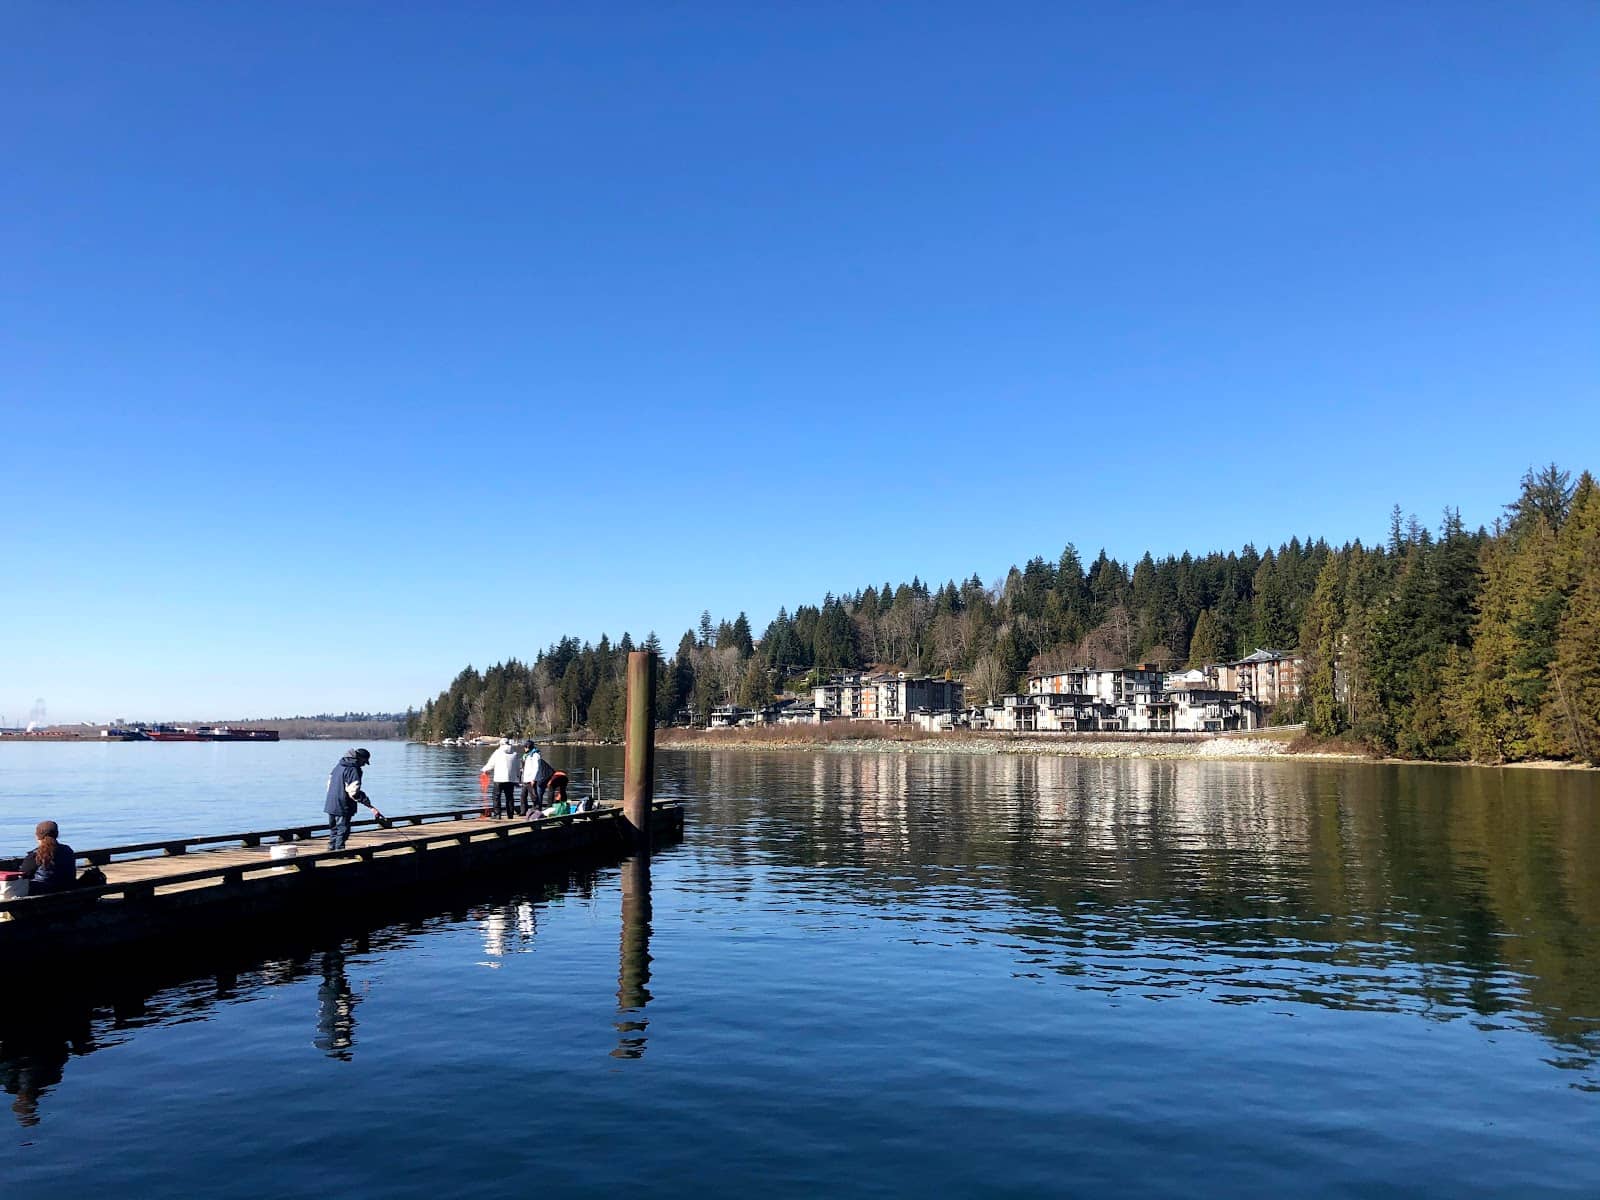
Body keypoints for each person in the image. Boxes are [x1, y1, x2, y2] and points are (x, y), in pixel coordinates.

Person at [324, 748, 376, 851]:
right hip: (343, 805)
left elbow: (329, 785)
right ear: (359, 758)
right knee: (343, 830)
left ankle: (331, 849)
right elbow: (353, 792)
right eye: (364, 762)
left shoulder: (338, 766)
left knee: (334, 829)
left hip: (331, 803)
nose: (364, 765)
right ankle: (340, 851)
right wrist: (366, 801)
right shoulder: (353, 769)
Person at [18, 820, 76, 895]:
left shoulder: (35, 855)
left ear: (37, 836)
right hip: (67, 889)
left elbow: (22, 875)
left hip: (42, 893)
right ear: (57, 834)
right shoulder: (67, 850)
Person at [480, 738, 523, 819]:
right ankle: (510, 815)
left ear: (501, 744)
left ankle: (497, 814)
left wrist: (484, 770)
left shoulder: (498, 753)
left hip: (499, 779)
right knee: (509, 797)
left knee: (496, 797)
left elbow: (491, 764)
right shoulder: (515, 754)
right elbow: (518, 767)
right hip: (511, 780)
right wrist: (518, 778)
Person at [520, 742, 547, 816]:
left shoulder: (535, 755)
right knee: (523, 795)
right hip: (525, 779)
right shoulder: (526, 756)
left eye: (525, 747)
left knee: (533, 796)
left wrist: (533, 779)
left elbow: (536, 768)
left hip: (531, 779)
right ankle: (523, 811)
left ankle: (537, 808)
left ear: (529, 747)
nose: (524, 748)